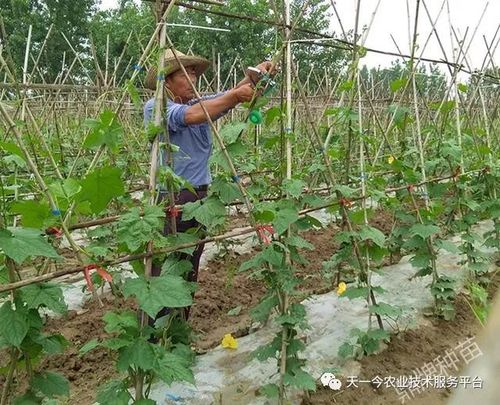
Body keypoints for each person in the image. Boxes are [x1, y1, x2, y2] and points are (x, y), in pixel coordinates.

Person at [143, 49, 272, 322]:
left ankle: (179, 324)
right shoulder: (156, 107)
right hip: (171, 196)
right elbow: (194, 115)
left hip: (198, 196)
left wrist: (255, 76)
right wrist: (235, 96)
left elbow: (224, 98)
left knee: (190, 263)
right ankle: (156, 327)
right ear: (166, 82)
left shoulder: (200, 102)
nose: (192, 78)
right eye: (183, 74)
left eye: (193, 73)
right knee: (165, 266)